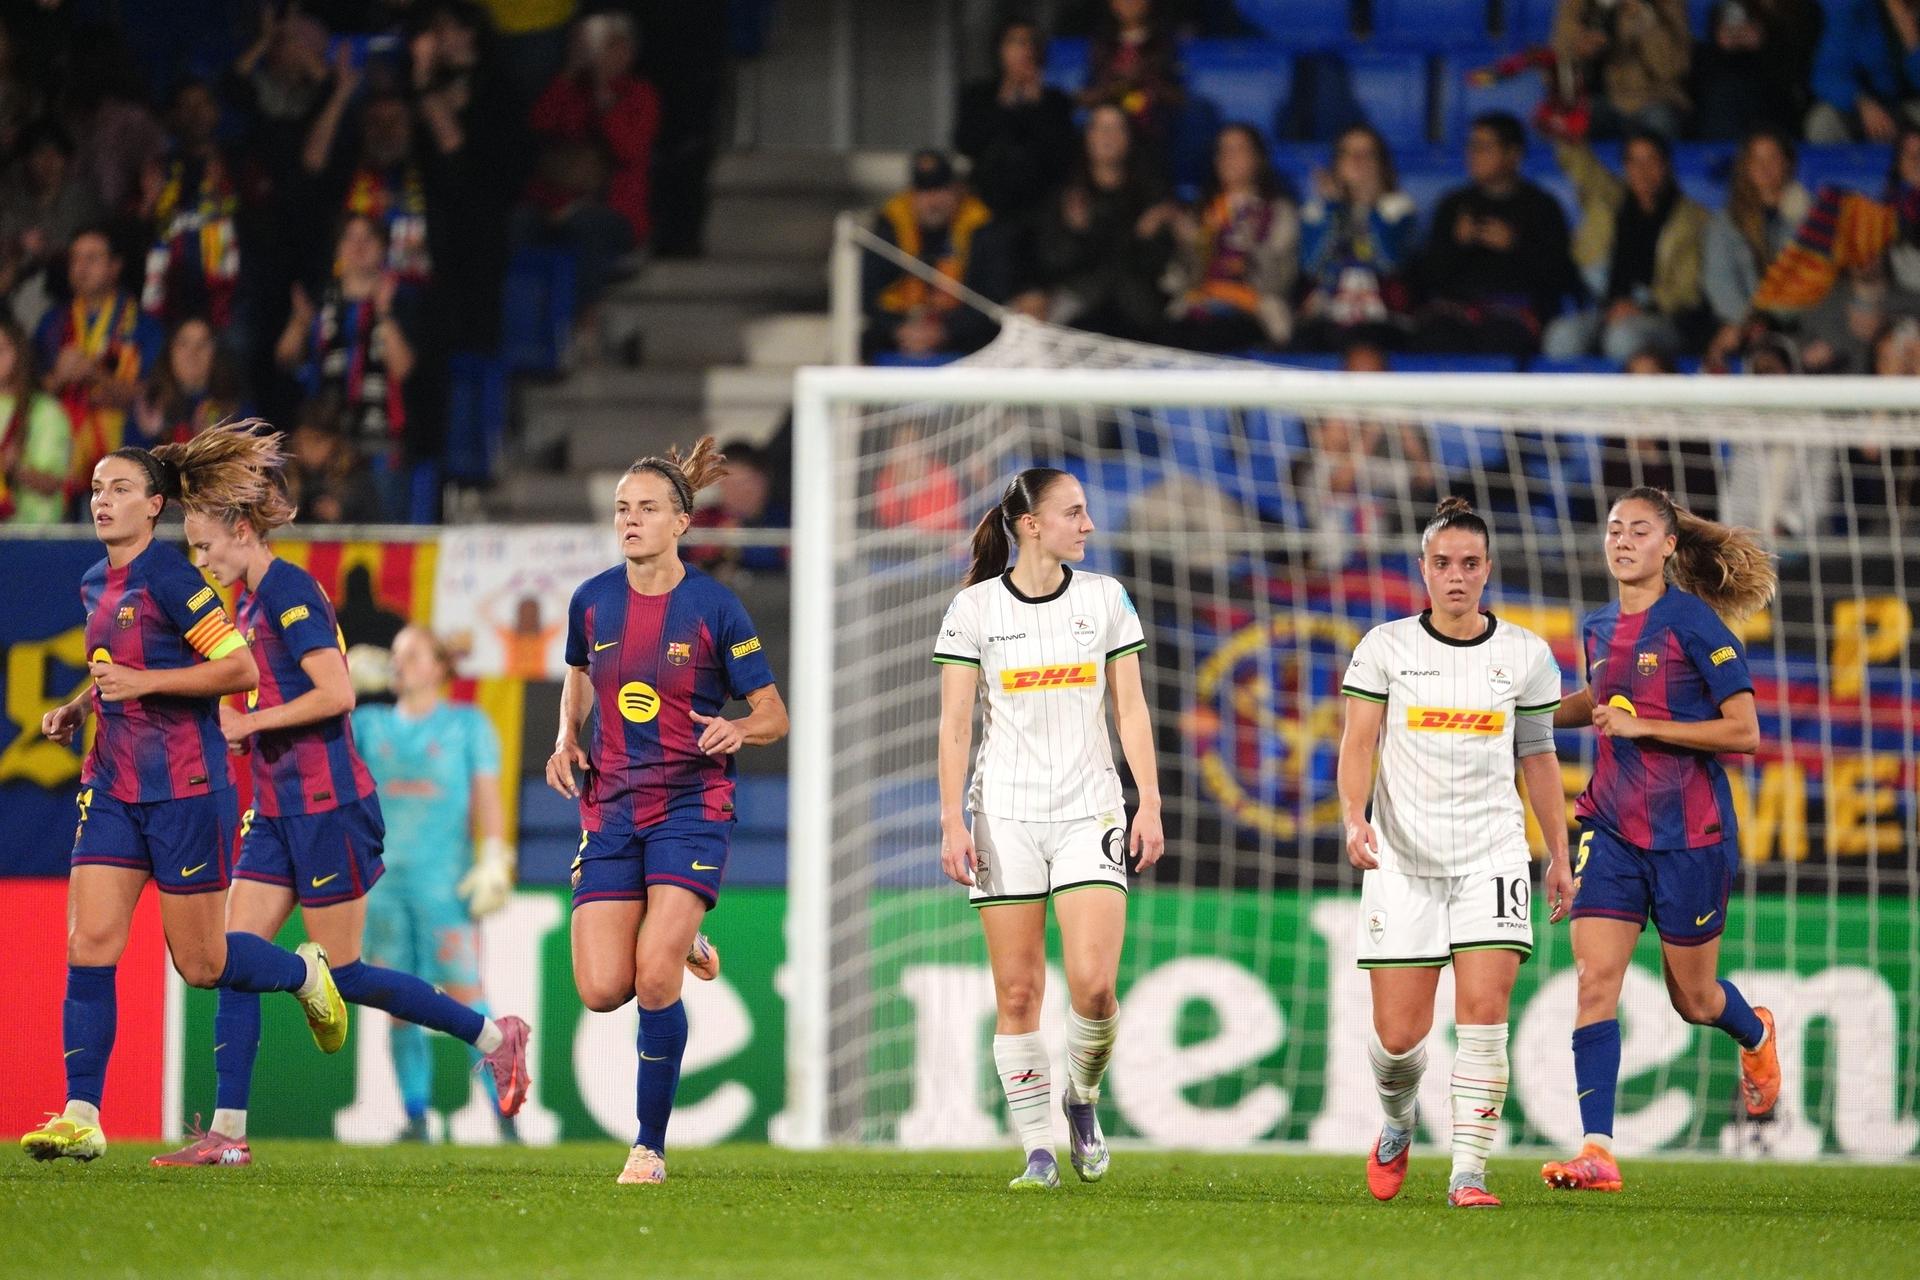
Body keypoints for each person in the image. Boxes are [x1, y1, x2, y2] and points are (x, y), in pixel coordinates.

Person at [151, 422, 530, 1167]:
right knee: (233, 955)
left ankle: (494, 1037)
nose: (201, 560)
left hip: (329, 807)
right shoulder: (250, 606)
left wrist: (253, 720)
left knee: (345, 973)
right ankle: (228, 1134)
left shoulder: (289, 591)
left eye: (205, 545)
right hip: (275, 810)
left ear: (239, 526)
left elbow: (337, 692)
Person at [21, 434, 345, 1163]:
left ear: (155, 505)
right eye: (98, 487)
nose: (102, 499)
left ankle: (301, 972)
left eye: (121, 489)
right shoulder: (92, 583)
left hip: (186, 788)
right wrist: (81, 704)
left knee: (200, 964)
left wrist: (144, 688)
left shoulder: (173, 579)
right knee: (89, 942)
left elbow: (240, 670)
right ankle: (81, 1114)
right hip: (111, 784)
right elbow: (120, 665)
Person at [545, 437, 789, 1185]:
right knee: (600, 989)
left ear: (682, 522)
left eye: (647, 508)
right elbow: (580, 675)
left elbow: (775, 714)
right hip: (611, 807)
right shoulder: (592, 600)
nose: (630, 519)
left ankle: (648, 1147)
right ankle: (683, 937)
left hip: (691, 806)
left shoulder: (715, 606)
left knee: (654, 979)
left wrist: (739, 728)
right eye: (622, 508)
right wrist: (565, 736)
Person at [1539, 486, 1783, 1193]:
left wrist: (1649, 726)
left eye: (1639, 530)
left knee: (1695, 1001)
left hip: (1691, 836)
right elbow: (1597, 698)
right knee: (1594, 981)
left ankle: (1756, 1033)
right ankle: (1598, 1151)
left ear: (1669, 546)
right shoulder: (1596, 628)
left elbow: (1745, 732)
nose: (1622, 540)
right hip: (1611, 829)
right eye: (1614, 529)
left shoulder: (1693, 623)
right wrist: (1529, 716)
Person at [1337, 497, 1572, 1210]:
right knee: (1399, 1039)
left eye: (1470, 564)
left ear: (1488, 570)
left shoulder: (1525, 655)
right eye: (1443, 564)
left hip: (1492, 857)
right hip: (1403, 860)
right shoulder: (1386, 647)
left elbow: (1539, 756)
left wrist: (1558, 854)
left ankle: (1468, 1171)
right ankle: (1398, 1119)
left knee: (1483, 1015)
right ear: (1424, 570)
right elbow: (1358, 740)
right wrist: (1353, 816)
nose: (1457, 576)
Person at [934, 467, 1165, 1190]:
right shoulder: (973, 610)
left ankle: (1082, 1098)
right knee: (1018, 994)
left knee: (1094, 988)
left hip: (1089, 808)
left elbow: (1130, 709)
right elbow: (953, 726)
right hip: (1003, 812)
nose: (1088, 525)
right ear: (1031, 525)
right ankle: (1037, 1149)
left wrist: (1148, 801)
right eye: (1074, 513)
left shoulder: (1104, 599)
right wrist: (951, 820)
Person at [353, 626, 516, 1141]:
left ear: (438, 668)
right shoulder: (367, 723)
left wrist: (494, 852)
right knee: (396, 998)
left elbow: (487, 794)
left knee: (467, 997)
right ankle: (416, 1114)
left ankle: (505, 1111)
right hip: (383, 886)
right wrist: (341, 685)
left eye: (413, 654)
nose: (400, 663)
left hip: (445, 883)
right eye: (394, 654)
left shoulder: (467, 725)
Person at [1412, 113, 1579, 358]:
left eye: (1484, 147)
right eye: (1471, 146)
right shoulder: (1454, 204)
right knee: (1434, 336)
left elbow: (1560, 276)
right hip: (1455, 311)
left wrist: (1515, 245)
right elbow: (1427, 276)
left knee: (1500, 341)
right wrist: (1457, 244)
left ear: (1513, 155)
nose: (1473, 154)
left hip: (1515, 313)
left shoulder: (1541, 206)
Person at [1543, 129, 1707, 362]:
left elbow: (1688, 291)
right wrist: (1565, 134)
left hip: (1666, 319)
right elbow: (1584, 170)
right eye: (1634, 161)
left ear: (1666, 165)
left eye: (1651, 160)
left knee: (1621, 338)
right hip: (1606, 313)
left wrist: (1641, 305)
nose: (1643, 171)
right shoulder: (1612, 201)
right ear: (1625, 167)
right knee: (1560, 336)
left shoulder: (1693, 219)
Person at [34, 226, 164, 507]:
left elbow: (152, 395)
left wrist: (94, 374)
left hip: (125, 457)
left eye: (92, 258)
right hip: (61, 457)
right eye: (75, 259)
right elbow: (29, 392)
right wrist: (59, 377)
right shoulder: (52, 323)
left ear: (115, 266)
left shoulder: (142, 325)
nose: (80, 267)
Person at [1035, 105, 1177, 341]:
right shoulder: (1067, 193)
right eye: (1100, 128)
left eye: (1116, 129)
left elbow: (1157, 264)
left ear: (1129, 138)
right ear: (1087, 137)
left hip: (1135, 306)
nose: (1107, 136)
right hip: (1079, 300)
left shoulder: (1151, 193)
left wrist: (1144, 237)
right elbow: (1051, 261)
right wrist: (1077, 233)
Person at [1161, 123, 1298, 352]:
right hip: (1198, 308)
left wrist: (1246, 249)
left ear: (1258, 159)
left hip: (1254, 310)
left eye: (1238, 150)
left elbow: (1279, 281)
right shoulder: (1200, 211)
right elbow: (1178, 282)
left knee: (1215, 333)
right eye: (1223, 151)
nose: (1228, 158)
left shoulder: (1279, 212)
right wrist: (1191, 246)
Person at [860, 149, 1004, 361]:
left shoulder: (981, 228)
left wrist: (944, 332)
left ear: (957, 191)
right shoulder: (889, 225)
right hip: (901, 332)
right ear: (912, 195)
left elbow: (991, 297)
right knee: (864, 340)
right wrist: (899, 329)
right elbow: (866, 294)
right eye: (924, 192)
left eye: (941, 190)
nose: (933, 201)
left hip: (960, 335)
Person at [1295, 124, 1418, 352]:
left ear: (1382, 164)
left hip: (1382, 317)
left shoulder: (1397, 208)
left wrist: (1370, 209)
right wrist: (1334, 209)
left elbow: (1391, 263)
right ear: (1336, 163)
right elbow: (1312, 267)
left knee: (1365, 341)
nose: (1357, 161)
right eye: (1349, 154)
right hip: (1329, 315)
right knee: (1303, 341)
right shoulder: (1318, 212)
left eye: (1366, 154)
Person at [952, 17, 1079, 221]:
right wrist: (1003, 105)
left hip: (1043, 205)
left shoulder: (1056, 100)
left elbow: (1063, 154)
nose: (1025, 50)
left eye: (1031, 43)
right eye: (1016, 42)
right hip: (990, 202)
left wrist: (1037, 106)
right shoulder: (979, 95)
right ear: (1000, 50)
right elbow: (966, 143)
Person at [1702, 130, 1810, 363]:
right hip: (1744, 325)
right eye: (1756, 159)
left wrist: (1770, 321)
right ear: (1746, 166)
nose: (1764, 167)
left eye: (1772, 158)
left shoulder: (1810, 217)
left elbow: (1808, 279)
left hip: (1798, 324)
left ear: (1788, 163)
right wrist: (1748, 322)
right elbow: (1720, 281)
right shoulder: (1726, 222)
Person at [1551, 0, 1691, 140]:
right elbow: (1558, 62)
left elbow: (1670, 68)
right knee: (1565, 123)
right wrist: (1580, 49)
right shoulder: (1576, 4)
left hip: (1652, 98)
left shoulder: (1667, 4)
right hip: (1594, 99)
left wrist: (1643, 16)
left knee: (1659, 121)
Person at [1805, 0, 1920, 143]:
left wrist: (1911, 39)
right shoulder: (1858, 10)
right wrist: (1861, 101)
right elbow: (1827, 73)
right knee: (1824, 122)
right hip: (1872, 104)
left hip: (1912, 106)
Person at [129, 316, 245, 449]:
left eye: (203, 344)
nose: (192, 353)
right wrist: (150, 437)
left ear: (216, 353)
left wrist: (217, 445)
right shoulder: (149, 404)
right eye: (183, 343)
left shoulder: (234, 405)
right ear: (170, 350)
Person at [0, 314, 71, 524]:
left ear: (20, 354)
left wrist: (15, 468)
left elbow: (52, 484)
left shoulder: (47, 411)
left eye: (1, 350)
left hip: (36, 536)